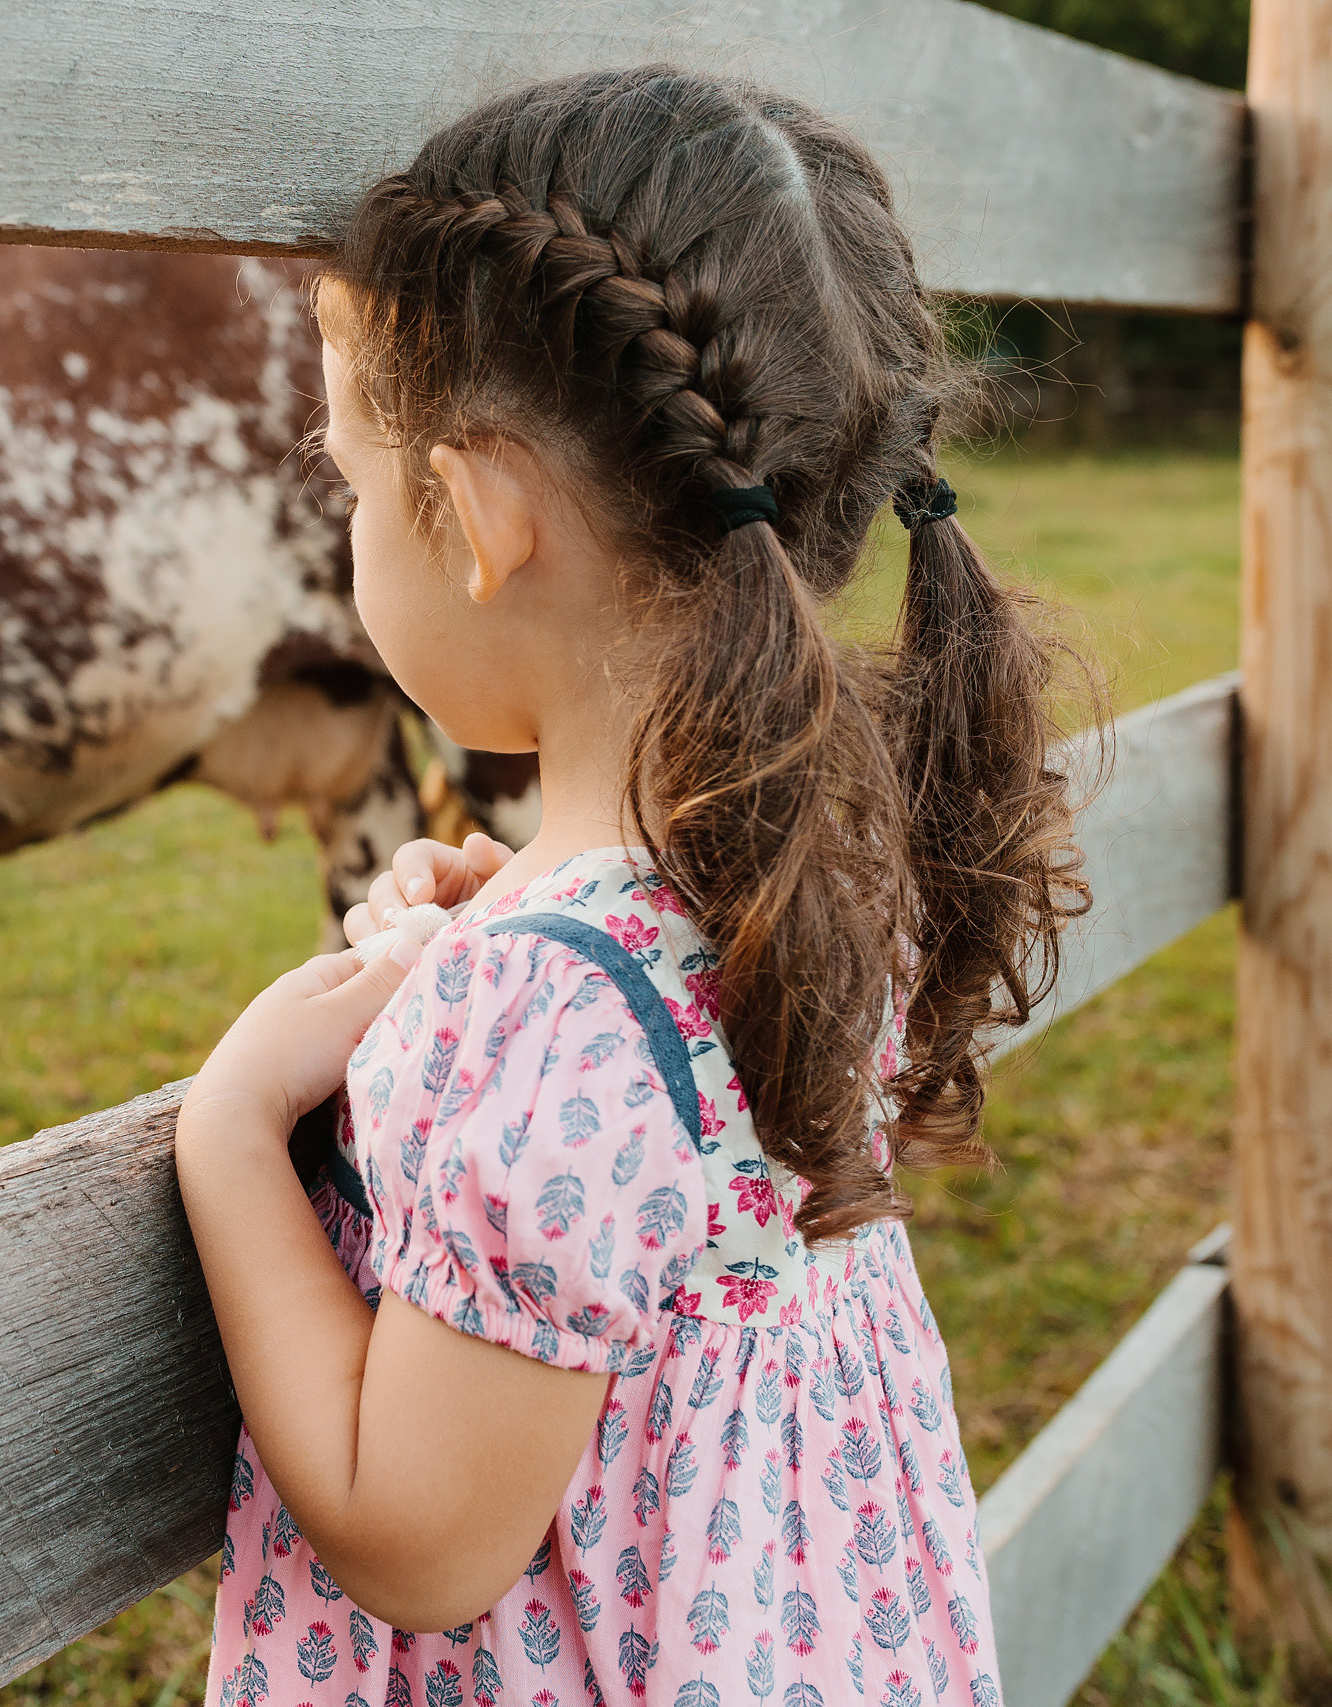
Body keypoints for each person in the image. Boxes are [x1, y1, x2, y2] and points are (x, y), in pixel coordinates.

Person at [175, 64, 1086, 1707]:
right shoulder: (818, 846)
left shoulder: (539, 1011)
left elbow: (423, 1542)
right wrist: (501, 926)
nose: (352, 521)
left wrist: (236, 1132)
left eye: (353, 481)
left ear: (472, 516)